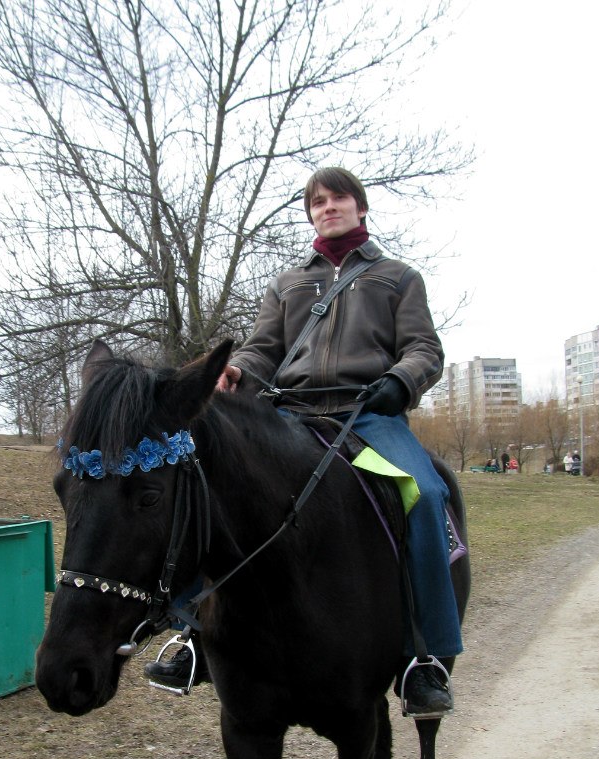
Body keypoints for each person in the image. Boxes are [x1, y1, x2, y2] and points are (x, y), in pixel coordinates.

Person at [147, 167, 460, 718]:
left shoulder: (398, 278)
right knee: (206, 482)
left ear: (360, 208)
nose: (328, 208)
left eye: (338, 198)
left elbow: (424, 349)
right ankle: (192, 636)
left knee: (428, 495)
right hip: (290, 415)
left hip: (368, 415)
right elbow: (262, 348)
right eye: (317, 202)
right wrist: (237, 372)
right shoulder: (289, 283)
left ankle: (423, 657)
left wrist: (400, 382)